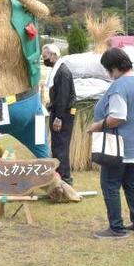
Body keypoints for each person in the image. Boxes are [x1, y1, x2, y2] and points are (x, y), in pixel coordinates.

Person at [86, 48, 134, 239]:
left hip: (119, 146)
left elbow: (118, 117)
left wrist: (97, 126)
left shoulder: (119, 87)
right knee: (130, 184)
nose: (108, 74)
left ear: (113, 67)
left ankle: (116, 228)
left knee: (110, 185)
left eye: (108, 69)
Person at [43, 44, 76, 186]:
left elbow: (63, 98)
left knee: (61, 147)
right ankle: (61, 178)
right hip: (58, 112)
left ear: (53, 55)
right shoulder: (57, 70)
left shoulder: (62, 72)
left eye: (45, 57)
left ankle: (64, 179)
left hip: (62, 115)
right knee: (58, 146)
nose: (44, 60)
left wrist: (58, 118)